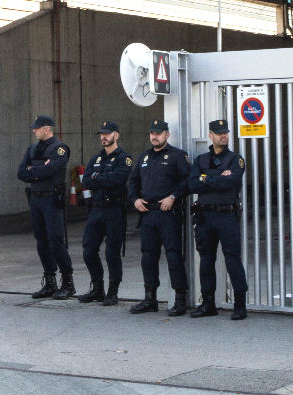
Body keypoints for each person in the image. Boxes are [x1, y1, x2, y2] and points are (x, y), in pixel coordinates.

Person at [127, 119, 190, 316]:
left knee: (173, 256)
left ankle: (180, 300)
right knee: (148, 257)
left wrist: (173, 197)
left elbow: (188, 181)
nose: (155, 136)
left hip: (167, 214)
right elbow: (133, 181)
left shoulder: (177, 156)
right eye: (152, 133)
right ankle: (150, 298)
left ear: (167, 135)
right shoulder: (144, 157)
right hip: (148, 214)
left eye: (159, 133)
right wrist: (135, 199)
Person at [188, 119, 249, 321]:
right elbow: (192, 184)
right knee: (206, 260)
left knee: (233, 259)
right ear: (211, 135)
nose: (223, 135)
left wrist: (205, 178)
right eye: (219, 133)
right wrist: (213, 178)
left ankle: (240, 304)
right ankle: (208, 303)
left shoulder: (235, 159)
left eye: (226, 132)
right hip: (205, 216)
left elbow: (230, 182)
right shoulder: (201, 159)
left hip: (226, 215)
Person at [16, 115, 74, 299]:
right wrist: (40, 171)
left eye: (37, 128)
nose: (34, 130)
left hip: (51, 200)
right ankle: (50, 282)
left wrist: (33, 171)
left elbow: (51, 170)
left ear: (47, 129)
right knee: (41, 241)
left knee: (55, 241)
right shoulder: (32, 148)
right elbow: (20, 173)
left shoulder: (60, 148)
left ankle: (68, 283)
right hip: (35, 199)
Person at [76, 121, 131, 305]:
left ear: (116, 135)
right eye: (101, 134)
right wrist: (101, 179)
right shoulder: (96, 158)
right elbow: (86, 182)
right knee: (88, 249)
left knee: (111, 252)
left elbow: (118, 179)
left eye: (107, 134)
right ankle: (97, 288)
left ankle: (112, 292)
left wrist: (98, 178)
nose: (103, 137)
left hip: (115, 209)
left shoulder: (124, 158)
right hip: (97, 209)